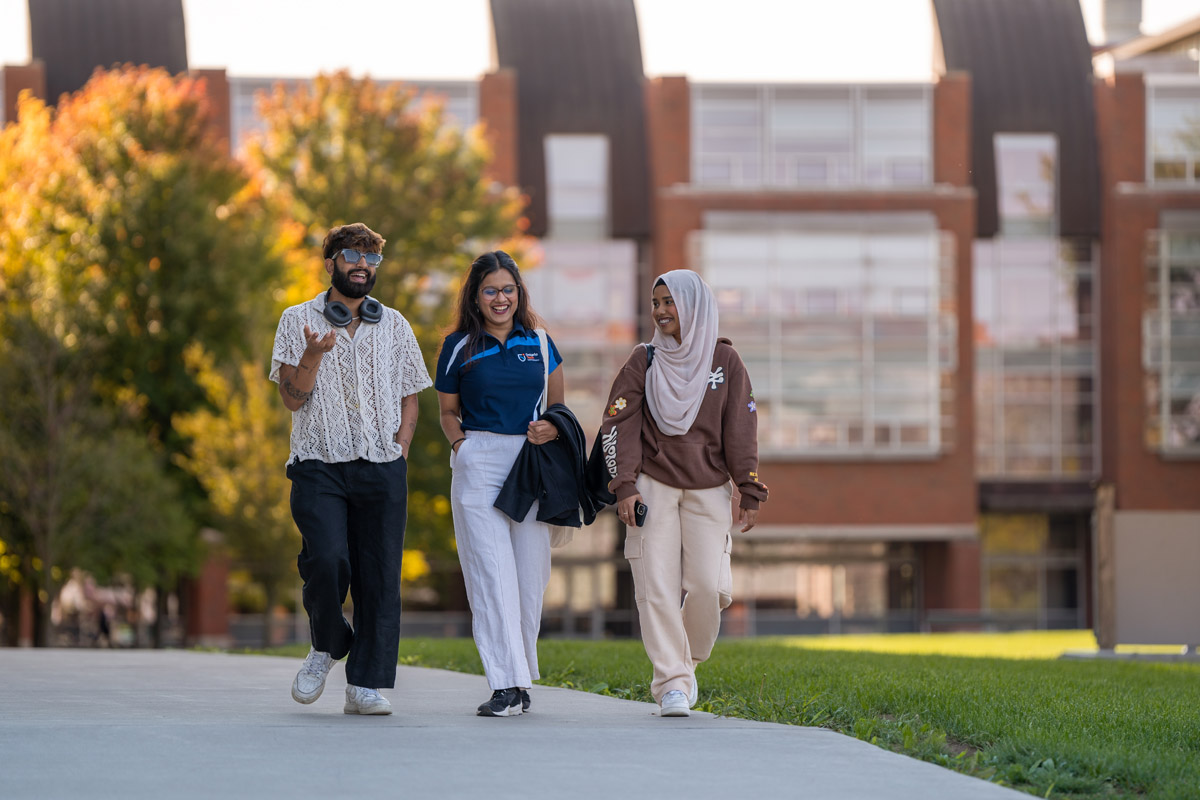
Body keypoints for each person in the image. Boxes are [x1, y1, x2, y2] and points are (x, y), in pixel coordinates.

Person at [270, 223, 432, 715]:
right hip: (318, 466)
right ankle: (326, 643)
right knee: (326, 560)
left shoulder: (398, 325)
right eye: (352, 255)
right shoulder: (297, 319)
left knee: (380, 578)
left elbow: (411, 393)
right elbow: (291, 400)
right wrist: (313, 357)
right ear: (330, 262)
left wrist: (402, 444)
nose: (363, 265)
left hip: (382, 467)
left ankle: (365, 685)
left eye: (371, 258)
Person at [598, 269, 767, 718]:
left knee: (707, 587)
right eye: (656, 303)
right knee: (656, 586)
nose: (661, 311)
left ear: (693, 305)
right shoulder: (644, 360)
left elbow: (742, 427)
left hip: (710, 487)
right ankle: (671, 681)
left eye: (669, 301)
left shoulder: (725, 361)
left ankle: (686, 663)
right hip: (653, 484)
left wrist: (748, 488)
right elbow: (617, 424)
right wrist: (625, 485)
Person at [435, 251, 564, 717]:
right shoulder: (458, 345)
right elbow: (448, 412)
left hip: (529, 464)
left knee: (530, 578)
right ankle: (505, 684)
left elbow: (558, 411)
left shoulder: (541, 343)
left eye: (508, 289)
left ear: (519, 293)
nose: (500, 298)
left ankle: (521, 678)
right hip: (480, 461)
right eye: (490, 290)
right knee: (491, 575)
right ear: (475, 295)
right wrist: (462, 449)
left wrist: (550, 428)